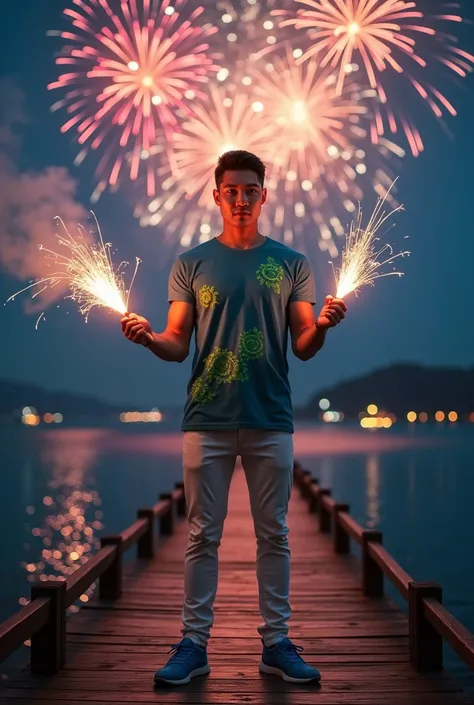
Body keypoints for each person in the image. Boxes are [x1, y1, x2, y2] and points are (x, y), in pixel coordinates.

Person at [121, 150, 347, 687]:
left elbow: (304, 345)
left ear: (264, 195)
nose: (241, 199)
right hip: (207, 418)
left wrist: (326, 325)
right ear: (217, 194)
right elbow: (177, 345)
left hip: (272, 416)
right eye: (232, 190)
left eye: (251, 190)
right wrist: (149, 339)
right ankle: (194, 644)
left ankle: (277, 643)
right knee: (202, 535)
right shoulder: (191, 263)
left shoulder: (292, 263)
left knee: (276, 534)